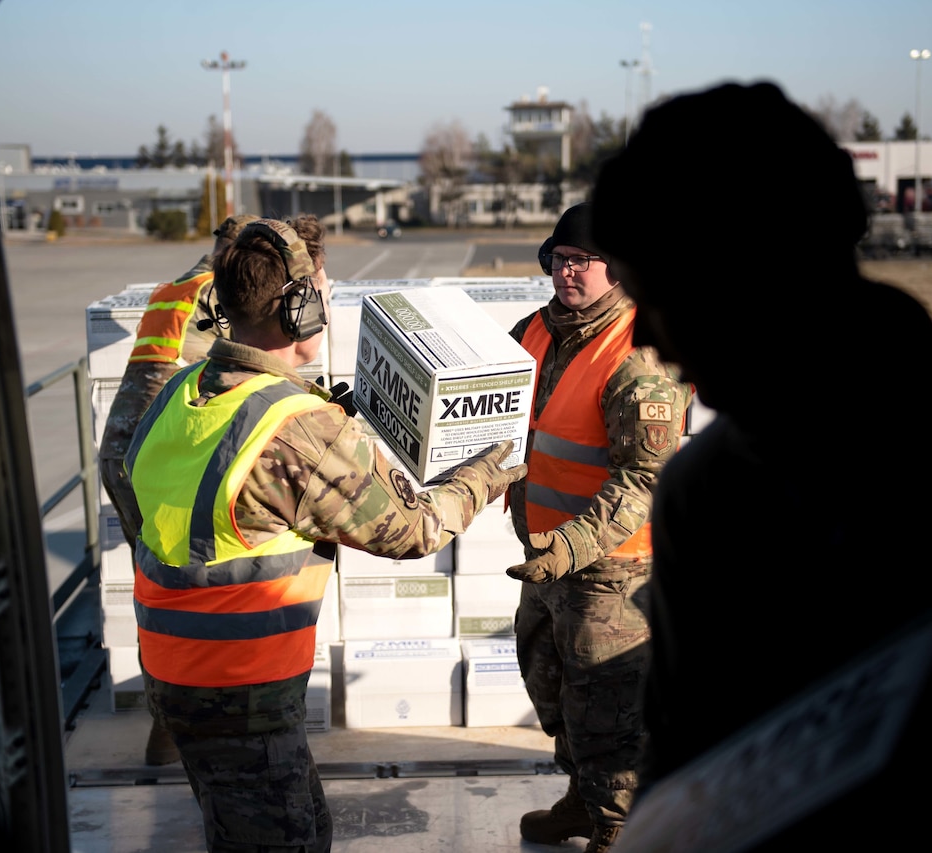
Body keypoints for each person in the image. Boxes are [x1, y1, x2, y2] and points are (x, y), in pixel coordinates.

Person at [589, 81, 932, 849]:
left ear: (748, 276)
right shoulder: (703, 496)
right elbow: (683, 765)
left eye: (661, 297)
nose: (645, 342)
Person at [125, 216, 527, 853]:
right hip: (240, 692)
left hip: (180, 677)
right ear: (299, 308)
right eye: (321, 289)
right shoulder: (294, 429)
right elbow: (413, 529)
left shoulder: (183, 391)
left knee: (298, 828)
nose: (329, 300)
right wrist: (480, 476)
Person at [503, 203, 691, 853]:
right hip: (544, 557)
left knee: (607, 697)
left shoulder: (638, 355)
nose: (568, 272)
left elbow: (644, 480)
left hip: (611, 566)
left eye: (582, 261)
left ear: (617, 268)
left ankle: (624, 819)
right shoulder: (534, 330)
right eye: (559, 259)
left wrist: (573, 546)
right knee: (549, 678)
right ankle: (584, 795)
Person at [98, 212, 260, 766]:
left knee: (157, 584)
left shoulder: (176, 286)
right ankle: (178, 727)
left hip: (127, 451)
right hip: (154, 454)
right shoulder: (220, 293)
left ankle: (169, 724)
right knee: (187, 589)